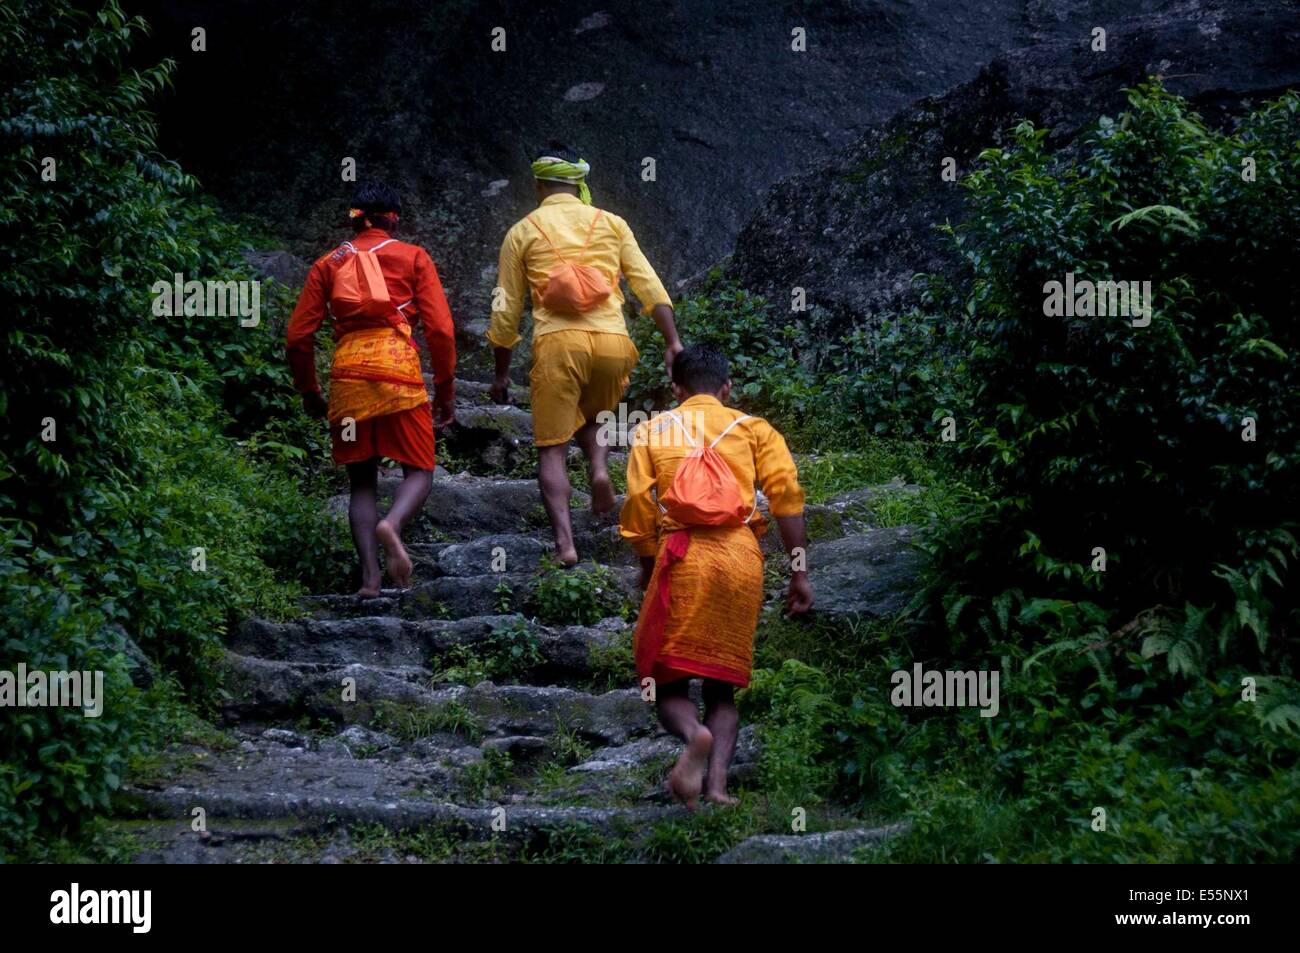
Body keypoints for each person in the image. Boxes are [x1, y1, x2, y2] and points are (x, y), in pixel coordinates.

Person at [619, 345, 814, 808]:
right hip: (740, 557)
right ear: (727, 388)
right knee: (721, 684)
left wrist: (649, 569)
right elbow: (787, 500)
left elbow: (639, 509)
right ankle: (718, 787)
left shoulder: (652, 429)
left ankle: (693, 735)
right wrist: (799, 574)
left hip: (682, 557)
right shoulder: (755, 429)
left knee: (666, 682)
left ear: (676, 389)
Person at [487, 145, 683, 566]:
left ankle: (565, 545)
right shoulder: (611, 223)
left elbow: (504, 309)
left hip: (559, 343)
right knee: (595, 418)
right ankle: (598, 468)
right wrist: (673, 342)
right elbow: (648, 284)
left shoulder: (522, 231)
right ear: (579, 182)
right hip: (612, 342)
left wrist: (501, 373)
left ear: (538, 184)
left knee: (552, 450)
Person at [286, 182, 457, 596]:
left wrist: (310, 391)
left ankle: (370, 579)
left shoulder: (328, 263)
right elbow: (441, 330)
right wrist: (445, 388)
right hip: (398, 373)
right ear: (393, 219)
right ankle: (391, 524)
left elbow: (297, 338)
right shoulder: (413, 257)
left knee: (361, 483)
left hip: (348, 378)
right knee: (420, 469)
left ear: (353, 216)